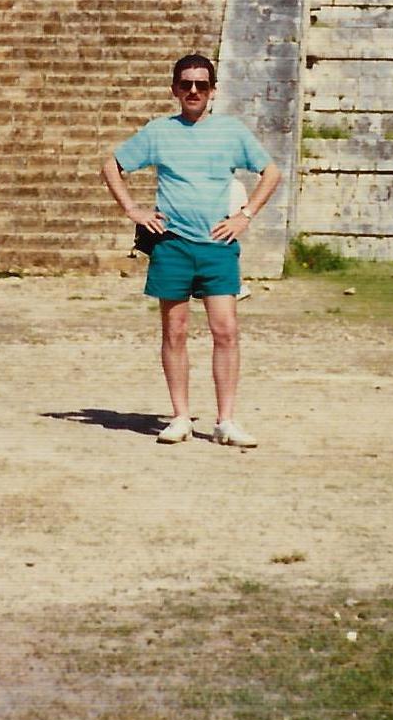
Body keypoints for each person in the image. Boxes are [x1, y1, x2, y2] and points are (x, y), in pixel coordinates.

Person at [101, 54, 281, 447]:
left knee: (226, 331)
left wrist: (245, 215)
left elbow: (271, 172)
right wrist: (133, 210)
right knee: (175, 331)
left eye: (201, 85)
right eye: (186, 84)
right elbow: (113, 165)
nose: (194, 91)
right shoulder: (158, 132)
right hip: (172, 244)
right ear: (175, 89)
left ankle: (226, 420)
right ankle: (180, 416)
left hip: (218, 245)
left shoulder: (231, 132)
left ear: (213, 90)